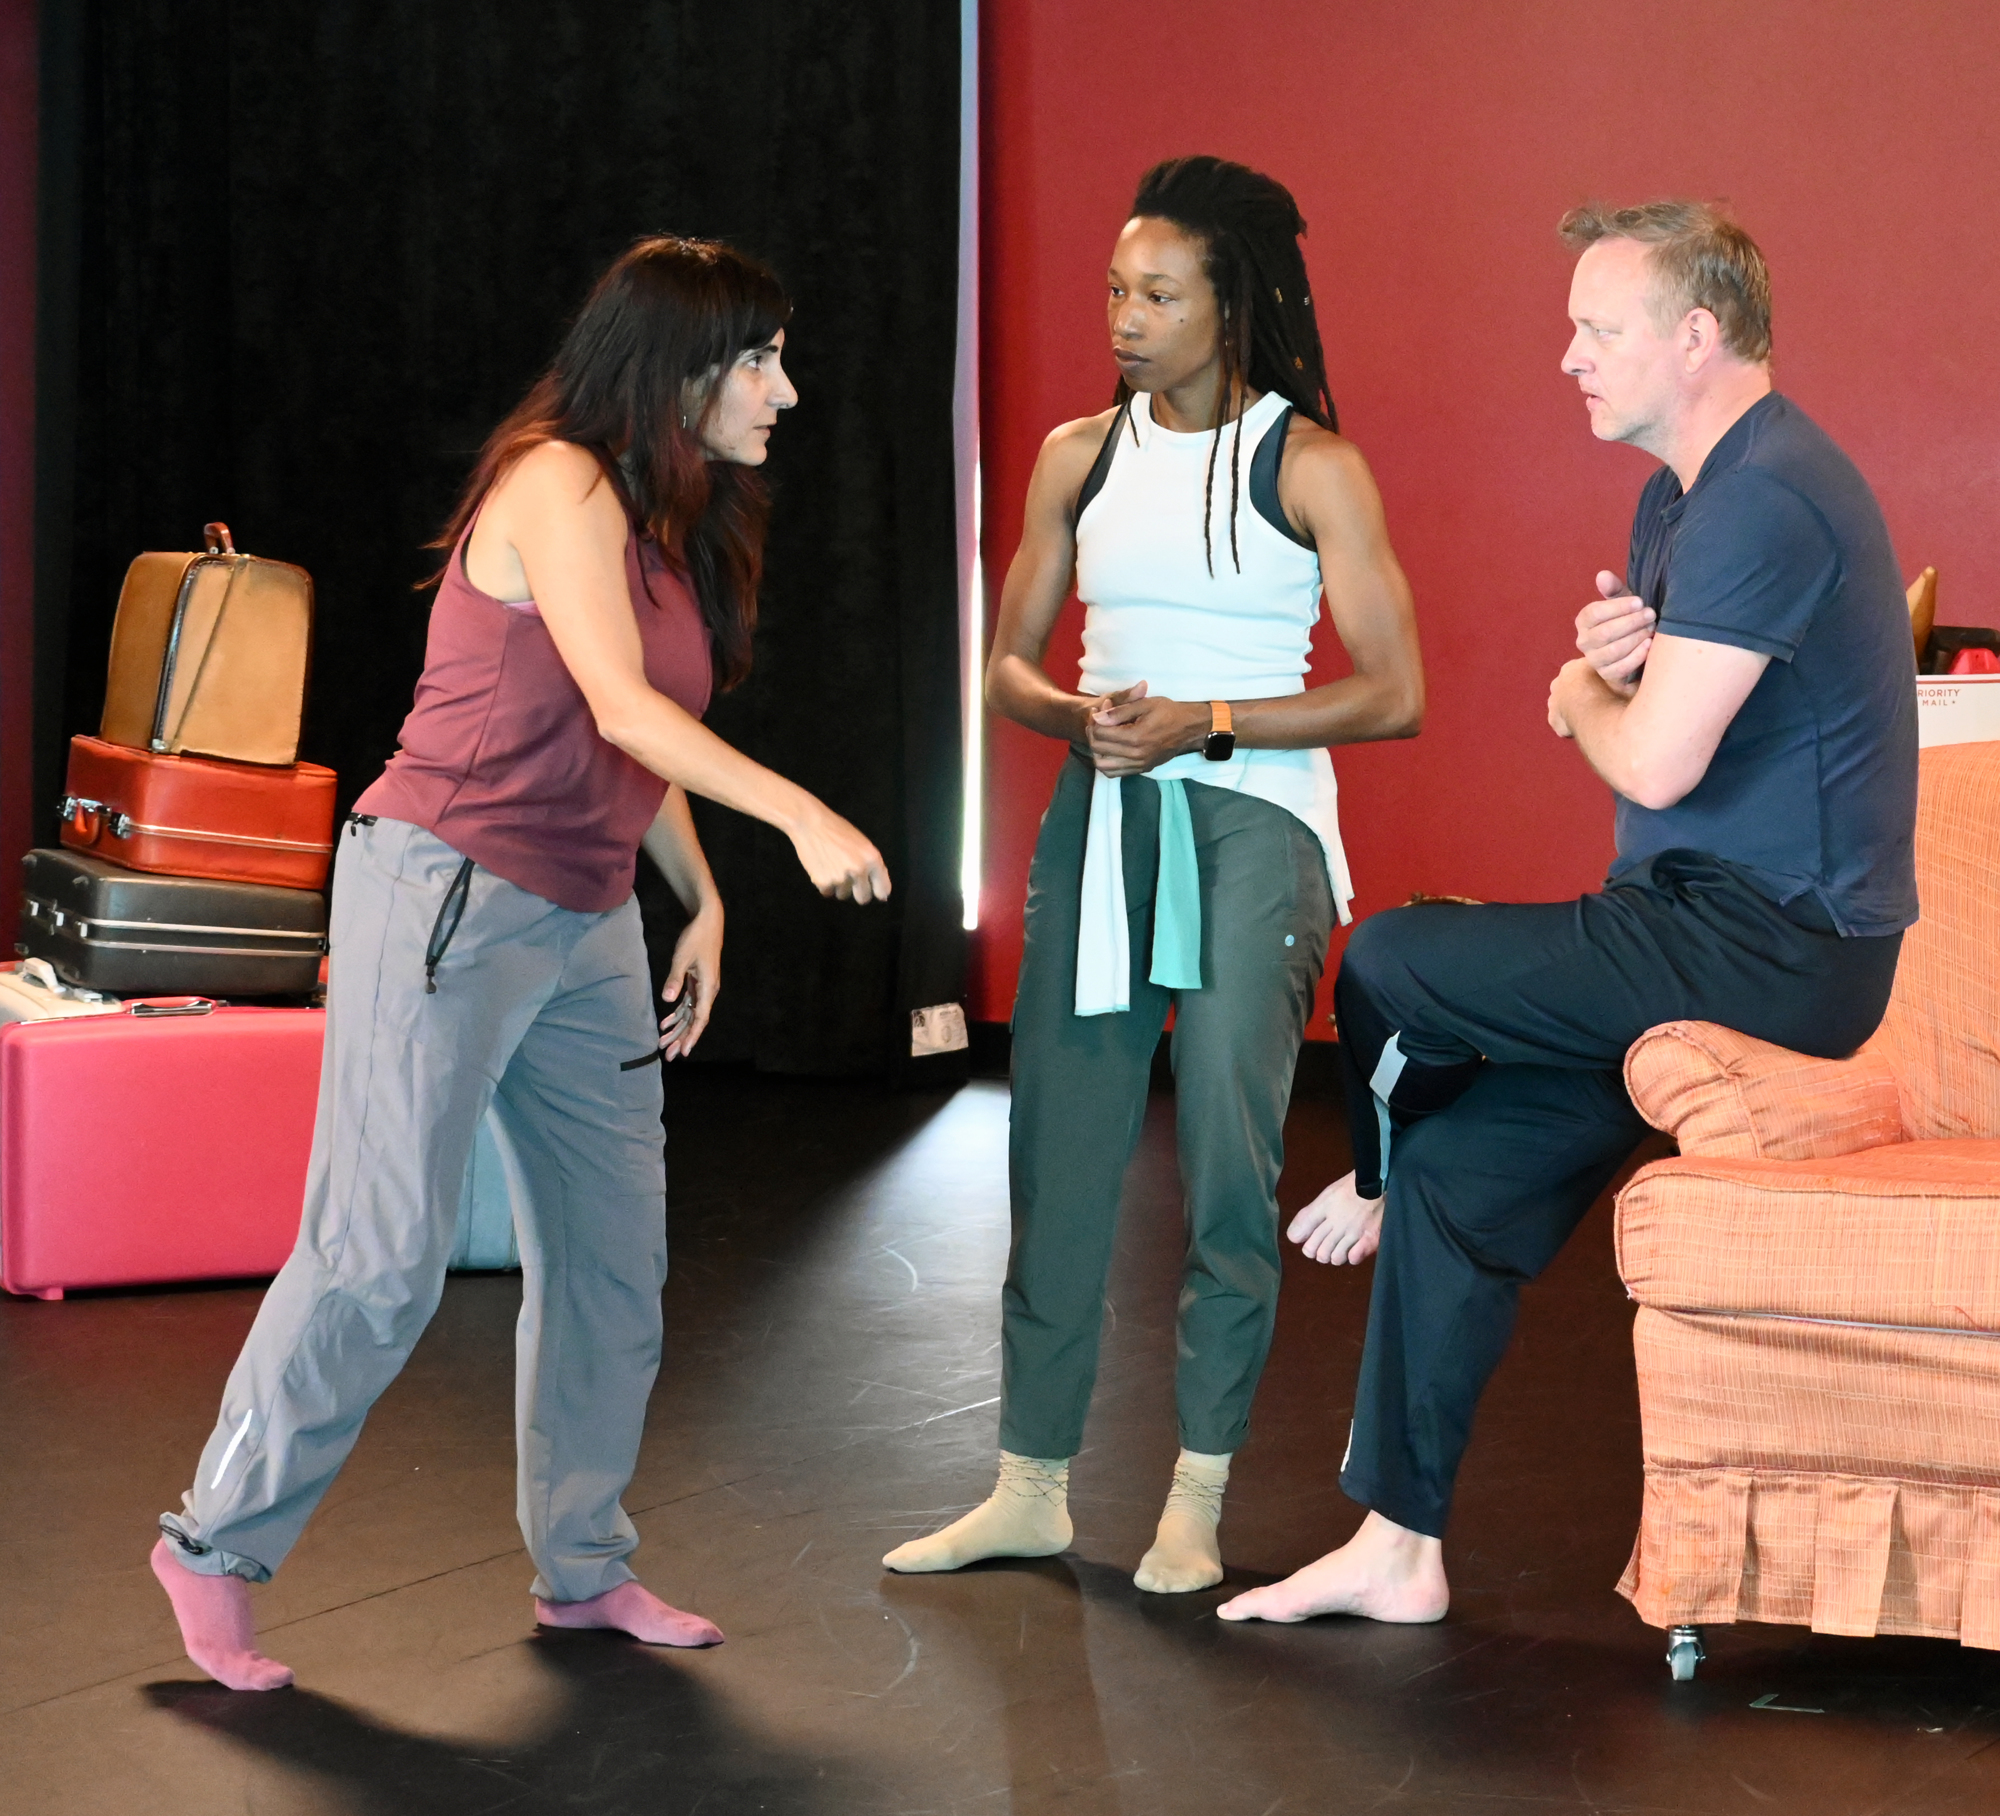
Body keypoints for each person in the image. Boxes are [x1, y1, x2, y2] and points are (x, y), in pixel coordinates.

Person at [151, 236, 891, 1690]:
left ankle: (585, 1571)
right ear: (684, 366)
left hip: (587, 917)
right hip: (444, 894)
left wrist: (704, 896)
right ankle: (212, 1544)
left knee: (617, 1259)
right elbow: (619, 703)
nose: (786, 392)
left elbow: (633, 729)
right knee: (379, 1261)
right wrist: (798, 813)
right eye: (763, 360)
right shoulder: (557, 481)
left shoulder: (671, 516)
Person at [1219, 201, 1919, 1626]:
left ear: (1696, 335)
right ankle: (1396, 1547)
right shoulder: (1686, 497)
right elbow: (1700, 702)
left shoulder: (1769, 492)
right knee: (1468, 1190)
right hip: (1685, 914)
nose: (1570, 358)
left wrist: (1589, 693)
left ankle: (1371, 1159)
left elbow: (1654, 752)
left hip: (1777, 948)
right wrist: (1633, 650)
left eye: (1600, 330)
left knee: (1397, 957)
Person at [885, 156, 1423, 1593]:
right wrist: (1077, 717)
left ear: (1229, 303)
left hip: (1258, 825)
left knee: (1229, 1171)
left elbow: (1395, 691)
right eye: (1117, 289)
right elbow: (1008, 660)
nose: (1125, 315)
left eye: (1159, 293)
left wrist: (1214, 722)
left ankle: (1195, 1498)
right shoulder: (1079, 453)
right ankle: (1030, 1486)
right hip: (1105, 812)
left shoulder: (1309, 463)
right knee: (1057, 1151)